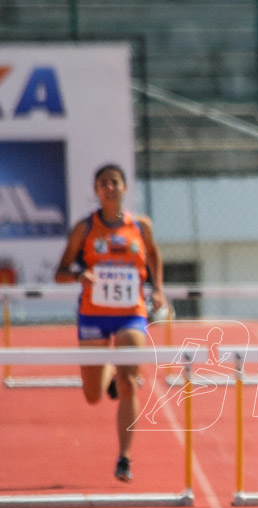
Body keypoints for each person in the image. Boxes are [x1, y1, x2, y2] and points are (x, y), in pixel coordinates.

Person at [55, 164, 168, 482]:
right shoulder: (84, 229)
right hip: (93, 314)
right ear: (96, 191)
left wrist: (157, 288)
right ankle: (109, 380)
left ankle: (125, 457)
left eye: (114, 182)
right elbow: (60, 272)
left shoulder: (141, 227)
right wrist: (80, 274)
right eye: (103, 183)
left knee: (130, 380)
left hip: (131, 312)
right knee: (92, 396)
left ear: (124, 188)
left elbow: (155, 256)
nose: (109, 188)